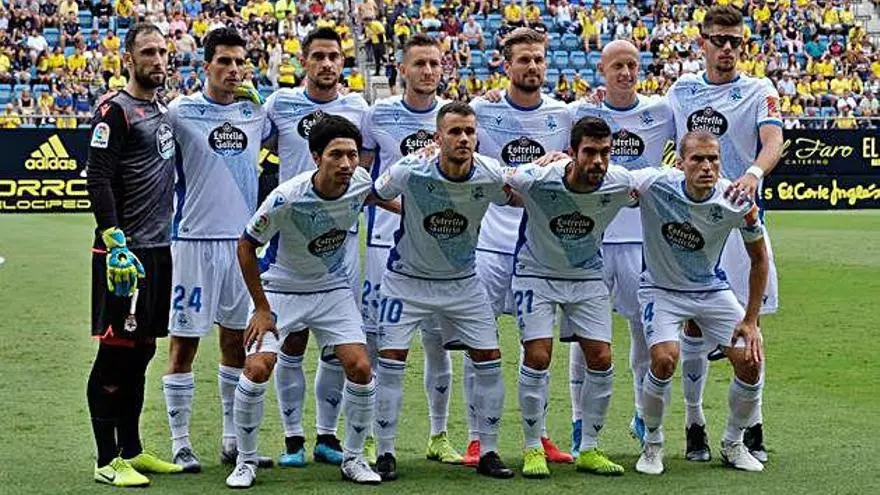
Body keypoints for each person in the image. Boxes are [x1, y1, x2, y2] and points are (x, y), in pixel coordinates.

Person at [226, 115, 395, 488]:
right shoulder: (287, 197)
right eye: (336, 155)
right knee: (257, 368)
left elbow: (384, 199)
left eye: (352, 154)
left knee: (360, 367)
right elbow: (246, 246)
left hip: (332, 290)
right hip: (280, 289)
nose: (346, 163)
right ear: (316, 157)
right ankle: (245, 460)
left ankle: (353, 458)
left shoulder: (359, 182)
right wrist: (261, 308)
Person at [371, 102, 515, 480]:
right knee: (391, 360)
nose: (463, 138)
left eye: (469, 131)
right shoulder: (411, 169)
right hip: (406, 280)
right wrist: (409, 210)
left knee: (489, 357)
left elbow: (516, 194)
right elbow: (376, 191)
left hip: (463, 282)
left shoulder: (489, 173)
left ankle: (488, 451)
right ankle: (385, 452)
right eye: (454, 132)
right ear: (438, 138)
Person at [665, 5, 783, 463]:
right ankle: (694, 423)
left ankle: (752, 426)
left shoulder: (759, 89)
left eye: (736, 41)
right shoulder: (682, 90)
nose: (728, 49)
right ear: (704, 43)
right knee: (693, 324)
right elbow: (648, 129)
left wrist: (753, 173)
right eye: (719, 40)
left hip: (742, 222)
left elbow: (773, 141)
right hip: (694, 225)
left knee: (750, 327)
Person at [160, 27, 274, 474]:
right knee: (184, 344)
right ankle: (180, 443)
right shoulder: (180, 112)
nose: (233, 69)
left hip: (241, 245)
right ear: (206, 65)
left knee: (236, 343)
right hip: (192, 242)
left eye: (239, 62)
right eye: (224, 61)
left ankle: (232, 440)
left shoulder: (255, 111)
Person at [263, 26, 369, 468]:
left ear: (343, 62)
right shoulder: (279, 104)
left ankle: (327, 435)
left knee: (336, 345)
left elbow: (369, 166)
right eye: (318, 56)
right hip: (290, 243)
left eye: (334, 56)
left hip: (339, 245)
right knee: (291, 342)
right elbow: (253, 145)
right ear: (303, 60)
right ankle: (293, 440)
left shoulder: (359, 108)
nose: (327, 63)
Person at [632, 131, 768, 475]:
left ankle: (733, 443)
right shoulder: (654, 184)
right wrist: (562, 160)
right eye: (697, 159)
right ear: (680, 164)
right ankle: (652, 444)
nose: (707, 167)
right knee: (664, 359)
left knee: (750, 360)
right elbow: (609, 176)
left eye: (713, 159)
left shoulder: (736, 200)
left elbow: (759, 259)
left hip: (710, 290)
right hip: (661, 289)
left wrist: (750, 320)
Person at [505, 116, 634, 478]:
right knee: (538, 355)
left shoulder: (620, 181)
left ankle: (589, 448)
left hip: (587, 276)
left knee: (601, 357)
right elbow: (497, 177)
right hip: (535, 273)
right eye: (589, 152)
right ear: (572, 152)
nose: (598, 161)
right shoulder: (538, 177)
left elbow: (658, 184)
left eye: (605, 152)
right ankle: (533, 446)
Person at [469, 27, 574, 467]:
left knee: (538, 348)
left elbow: (580, 160)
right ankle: (477, 439)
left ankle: (540, 434)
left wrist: (564, 159)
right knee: (480, 344)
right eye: (524, 59)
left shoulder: (563, 114)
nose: (532, 67)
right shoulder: (482, 109)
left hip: (540, 248)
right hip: (490, 245)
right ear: (506, 65)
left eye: (538, 59)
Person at [359, 33, 462, 471]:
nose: (428, 71)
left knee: (438, 344)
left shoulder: (454, 118)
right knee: (379, 345)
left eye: (435, 64)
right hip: (385, 245)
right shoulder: (378, 114)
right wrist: (402, 206)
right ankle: (370, 439)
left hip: (440, 249)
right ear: (402, 69)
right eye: (419, 63)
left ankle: (439, 435)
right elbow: (363, 181)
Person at [567, 40, 675, 457]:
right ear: (602, 69)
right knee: (584, 337)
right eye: (617, 66)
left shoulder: (661, 111)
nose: (626, 73)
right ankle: (579, 423)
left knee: (643, 333)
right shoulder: (580, 112)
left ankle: (642, 416)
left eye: (632, 64)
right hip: (590, 240)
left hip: (640, 240)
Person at [85, 23, 181, 487]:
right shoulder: (115, 111)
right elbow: (97, 177)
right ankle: (107, 460)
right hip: (124, 254)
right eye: (147, 52)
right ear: (128, 59)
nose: (157, 59)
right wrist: (113, 239)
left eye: (162, 51)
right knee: (115, 354)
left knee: (143, 352)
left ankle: (133, 449)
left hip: (158, 251)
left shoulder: (162, 110)